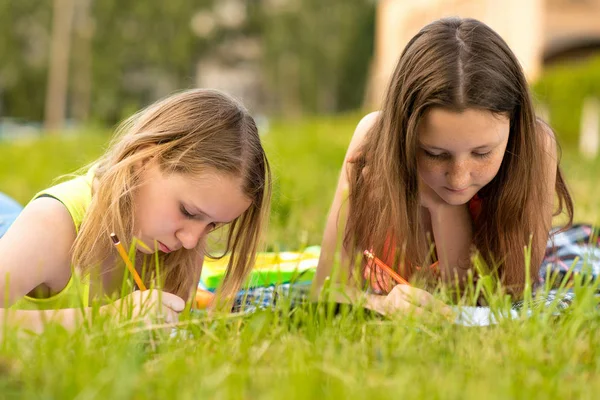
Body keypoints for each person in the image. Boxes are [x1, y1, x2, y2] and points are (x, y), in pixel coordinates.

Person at [313, 17, 573, 316]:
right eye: (435, 153)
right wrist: (382, 304)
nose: (459, 177)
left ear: (514, 129)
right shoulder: (372, 145)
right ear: (402, 136)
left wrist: (443, 207)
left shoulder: (535, 149)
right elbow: (326, 288)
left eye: (482, 152)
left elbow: (499, 300)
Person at [0, 88, 271, 332]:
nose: (191, 240)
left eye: (213, 225)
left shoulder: (182, 240)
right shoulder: (51, 226)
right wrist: (110, 318)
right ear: (145, 159)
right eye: (188, 211)